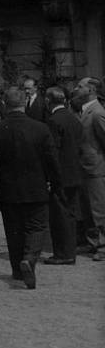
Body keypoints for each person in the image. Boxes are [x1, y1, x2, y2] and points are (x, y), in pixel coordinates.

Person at [0, 88, 63, 289]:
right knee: (37, 227)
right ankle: (29, 259)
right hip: (36, 187)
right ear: (25, 102)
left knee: (13, 230)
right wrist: (57, 183)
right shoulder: (41, 128)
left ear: (5, 104)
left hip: (8, 189)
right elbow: (52, 159)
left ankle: (18, 270)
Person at [44, 86, 84, 265]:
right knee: (70, 213)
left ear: (48, 101)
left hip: (61, 175)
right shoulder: (73, 119)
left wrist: (50, 177)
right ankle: (69, 251)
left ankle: (63, 253)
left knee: (60, 215)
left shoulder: (54, 121)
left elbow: (53, 153)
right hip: (75, 172)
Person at [73, 77, 105, 261]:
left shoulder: (97, 113)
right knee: (87, 208)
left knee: (98, 208)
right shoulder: (85, 111)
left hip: (96, 168)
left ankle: (102, 245)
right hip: (85, 168)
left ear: (91, 89)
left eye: (80, 86)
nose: (76, 89)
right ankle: (93, 242)